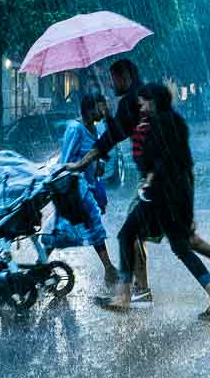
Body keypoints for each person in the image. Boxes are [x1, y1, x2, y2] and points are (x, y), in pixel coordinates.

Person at [99, 83, 210, 320]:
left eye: (143, 102)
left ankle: (131, 294)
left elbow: (164, 159)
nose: (140, 106)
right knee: (180, 246)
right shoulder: (158, 121)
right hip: (166, 193)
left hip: (160, 194)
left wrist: (151, 180)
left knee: (129, 235)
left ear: (153, 102)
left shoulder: (159, 124)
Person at [65, 59, 153, 303]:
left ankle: (136, 293)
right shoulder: (141, 96)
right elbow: (116, 133)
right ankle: (138, 290)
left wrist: (81, 164)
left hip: (158, 178)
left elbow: (111, 137)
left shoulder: (135, 100)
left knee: (131, 234)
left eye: (113, 79)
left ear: (125, 76)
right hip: (160, 176)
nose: (111, 84)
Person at [51, 96, 118, 288]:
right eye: (100, 108)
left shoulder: (95, 129)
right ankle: (109, 270)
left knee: (64, 227)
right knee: (93, 222)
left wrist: (99, 165)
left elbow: (96, 153)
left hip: (88, 184)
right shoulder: (75, 128)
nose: (103, 112)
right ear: (89, 110)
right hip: (75, 185)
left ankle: (42, 259)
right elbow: (66, 160)